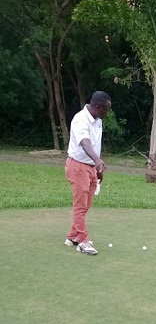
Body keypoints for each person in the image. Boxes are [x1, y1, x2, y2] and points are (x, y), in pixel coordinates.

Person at [64, 91, 111, 255]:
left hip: (91, 167)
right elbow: (85, 143)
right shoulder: (80, 120)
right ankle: (83, 241)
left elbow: (95, 145)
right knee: (80, 205)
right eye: (106, 110)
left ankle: (72, 236)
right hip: (78, 166)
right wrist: (97, 161)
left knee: (86, 205)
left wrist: (97, 167)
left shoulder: (98, 120)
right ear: (98, 107)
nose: (107, 113)